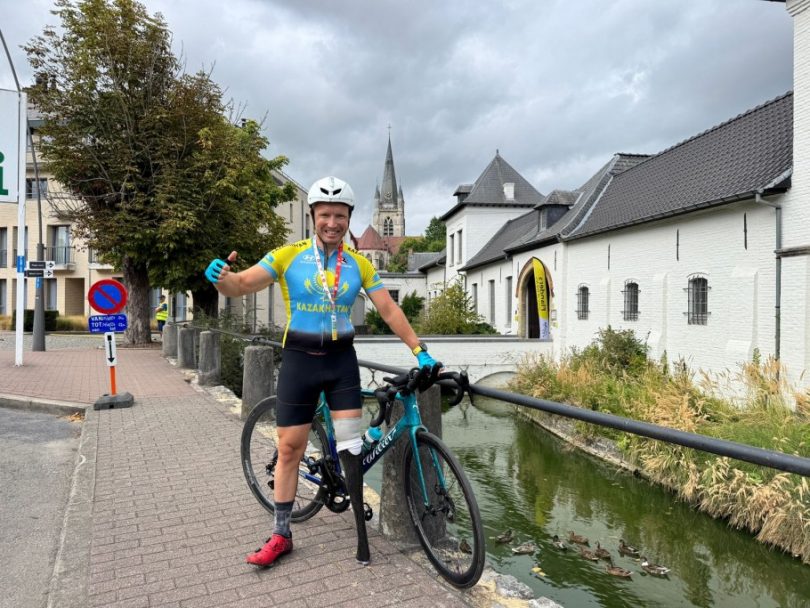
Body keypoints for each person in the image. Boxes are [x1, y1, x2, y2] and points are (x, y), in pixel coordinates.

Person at [204, 175, 438, 568]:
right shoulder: (288, 255)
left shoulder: (359, 264)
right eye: (325, 215)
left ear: (349, 218)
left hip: (341, 364)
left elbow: (388, 309)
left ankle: (361, 535)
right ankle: (281, 535)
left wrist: (420, 351)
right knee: (289, 449)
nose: (332, 223)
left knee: (352, 449)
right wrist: (222, 280)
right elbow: (241, 285)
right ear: (313, 216)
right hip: (299, 361)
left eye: (340, 216)